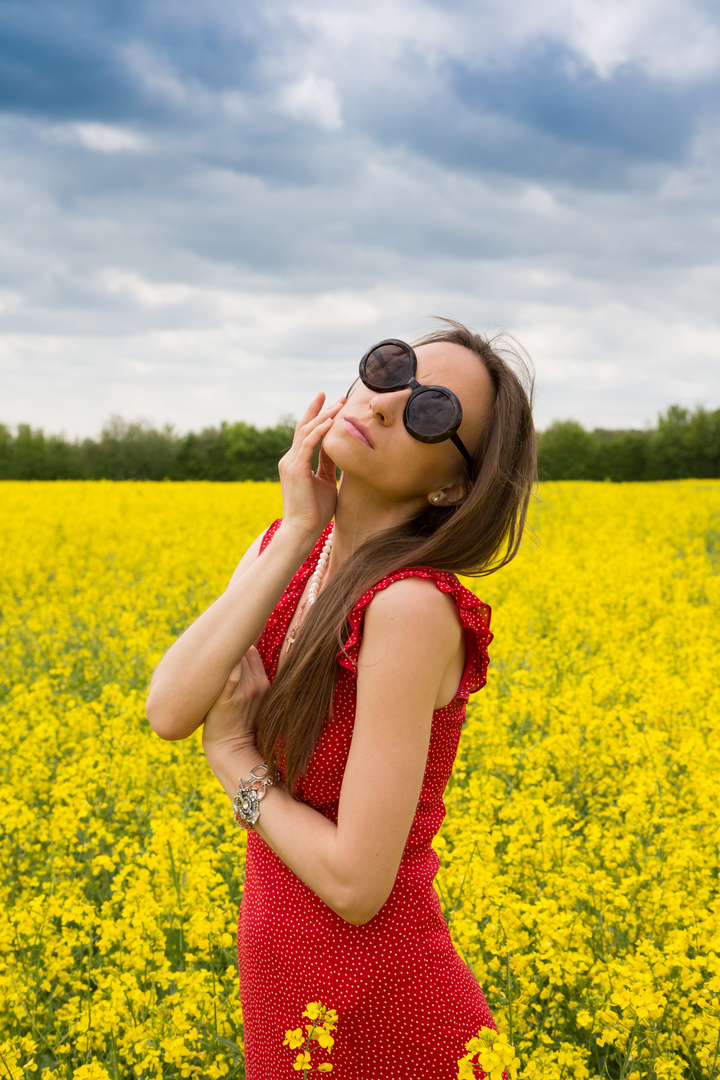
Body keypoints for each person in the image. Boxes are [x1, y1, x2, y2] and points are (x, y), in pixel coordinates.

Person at [146, 318, 537, 1079]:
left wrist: (232, 758)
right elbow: (168, 708)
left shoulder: (410, 608)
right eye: (388, 368)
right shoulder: (287, 549)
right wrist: (297, 527)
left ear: (450, 484)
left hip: (384, 1010)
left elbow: (357, 885)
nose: (387, 401)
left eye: (432, 413)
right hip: (293, 991)